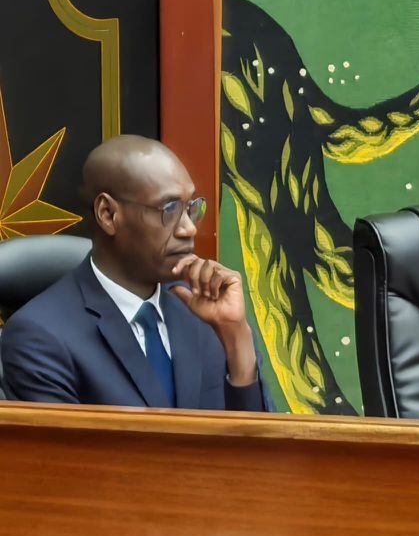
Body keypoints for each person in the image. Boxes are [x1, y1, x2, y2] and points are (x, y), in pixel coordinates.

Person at [1, 135, 268, 410]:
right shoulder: (40, 336)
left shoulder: (206, 315)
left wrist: (237, 339)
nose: (189, 228)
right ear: (108, 214)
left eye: (191, 207)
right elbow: (65, 454)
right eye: (170, 208)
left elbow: (261, 448)